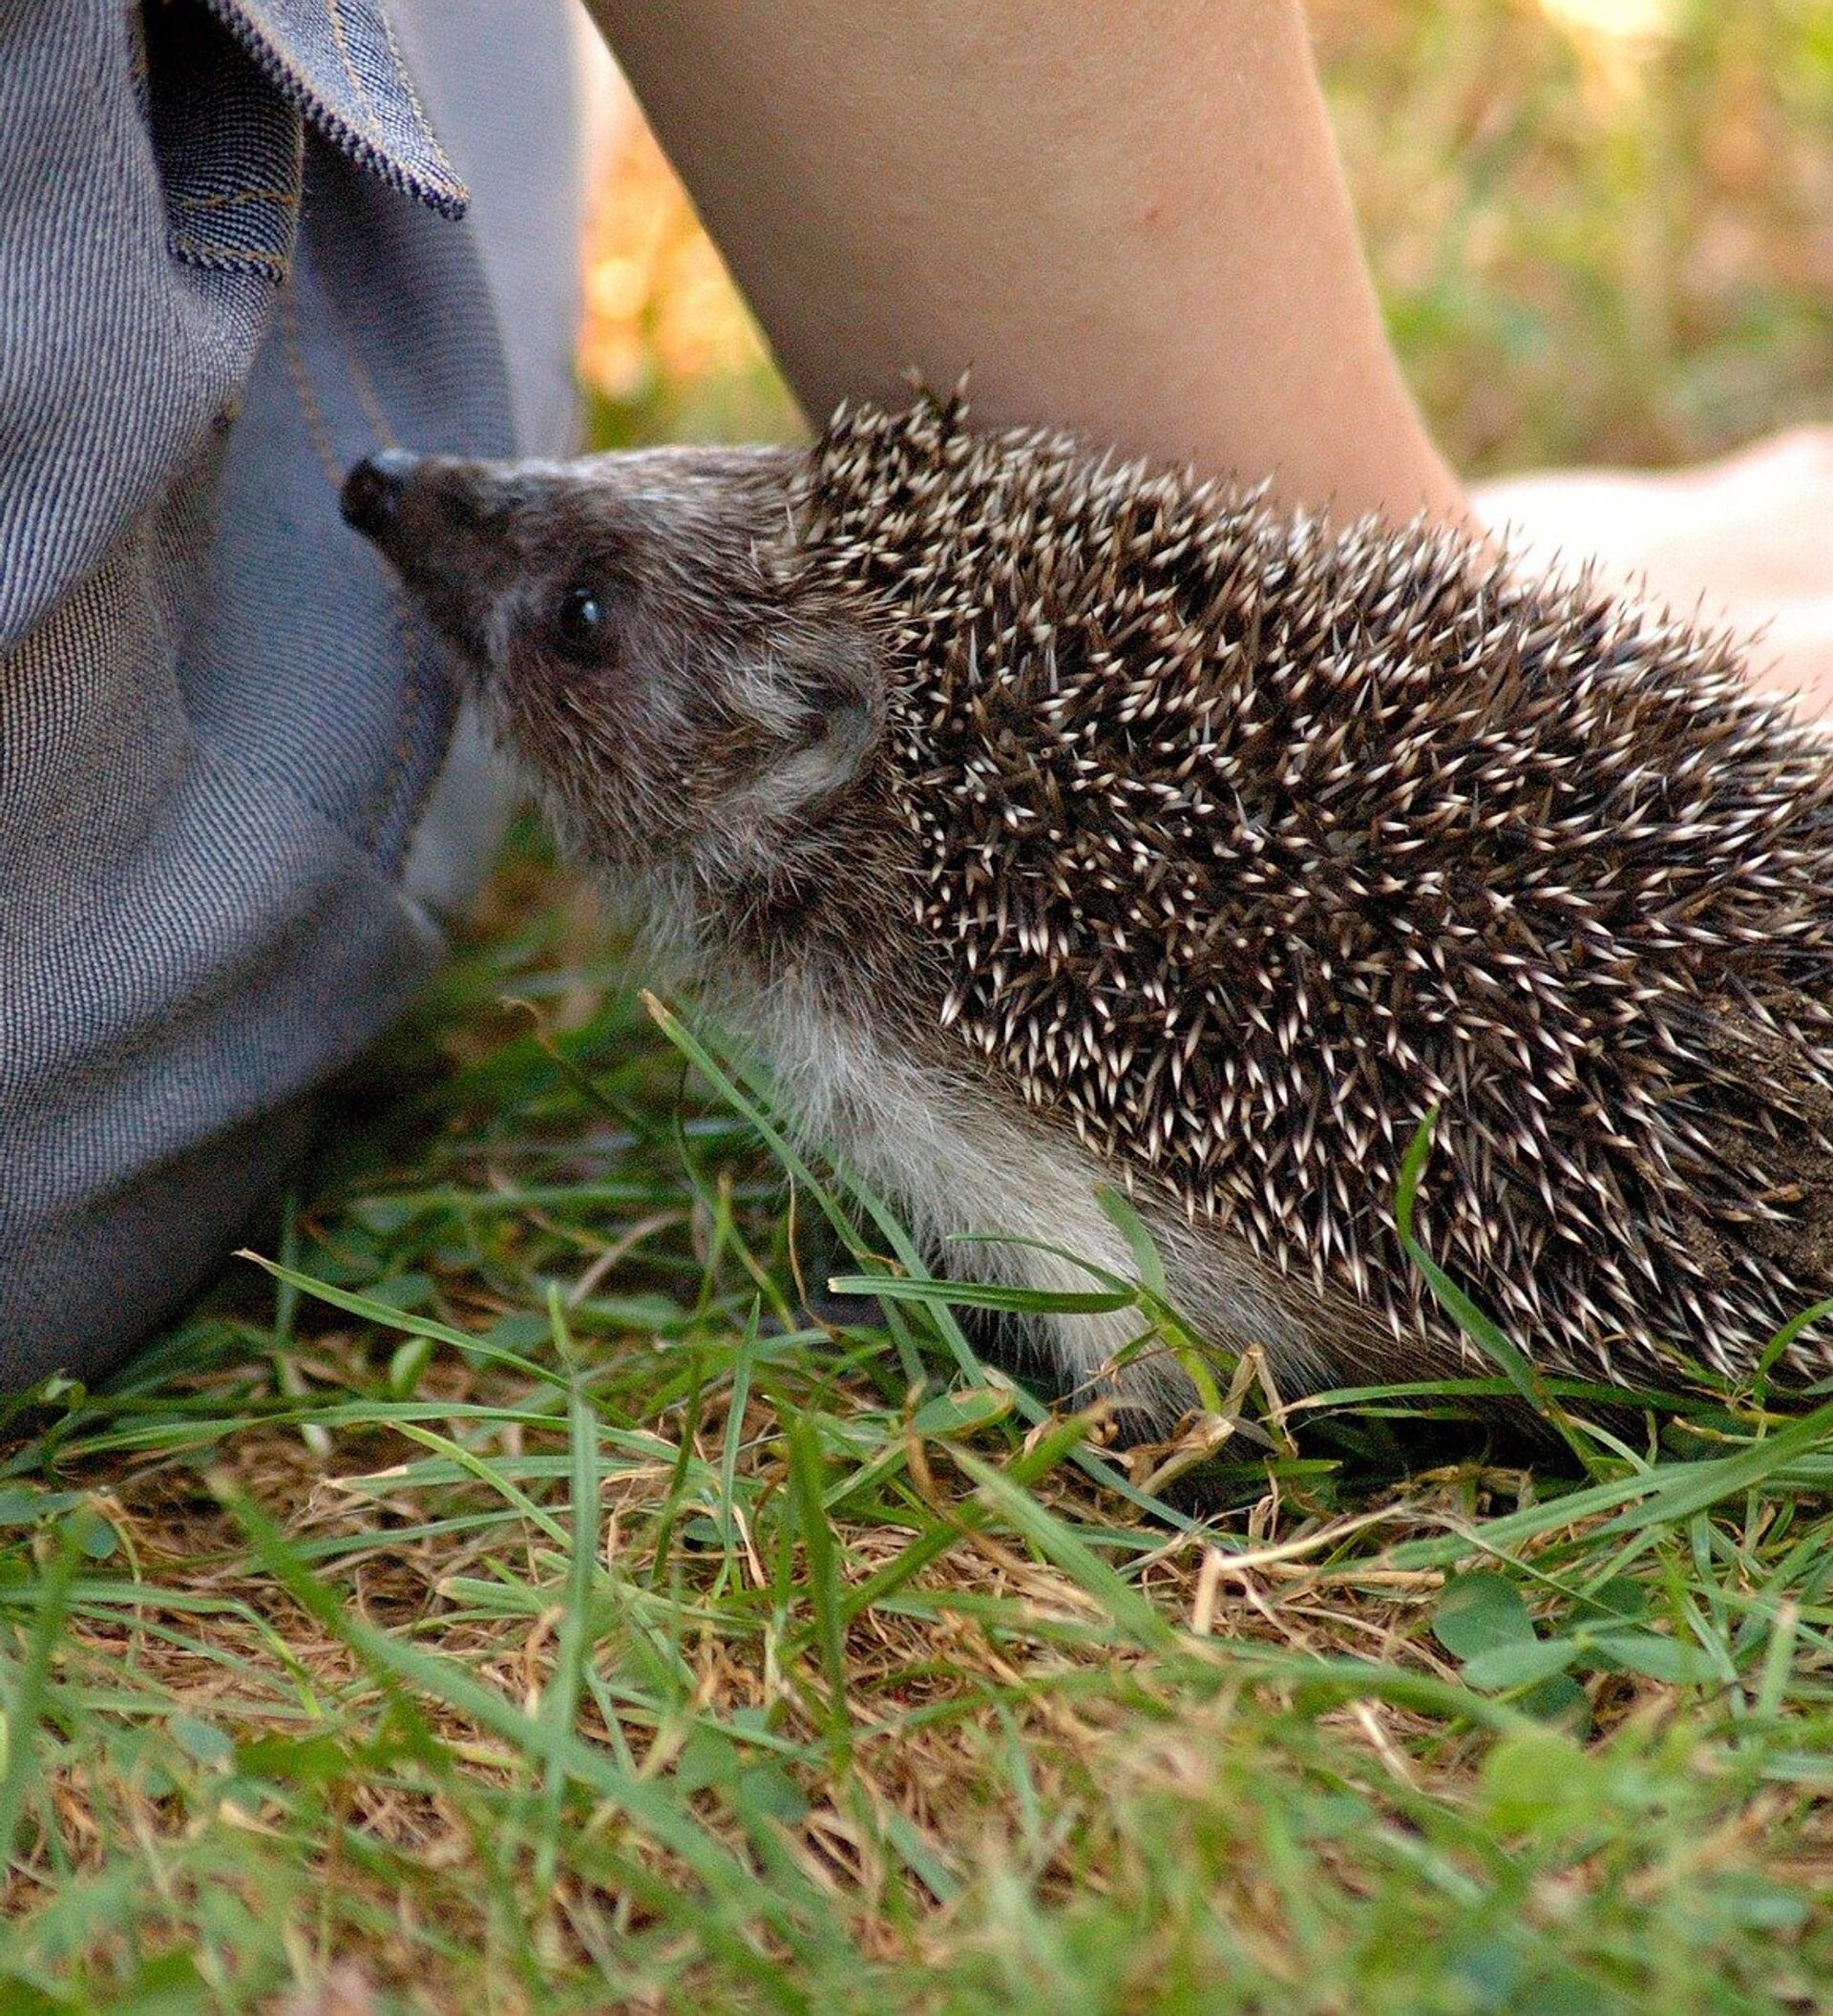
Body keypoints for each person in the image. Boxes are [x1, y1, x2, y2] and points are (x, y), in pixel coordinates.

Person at [3, 0, 1826, 1388]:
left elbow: (1149, 1317)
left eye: (573, 613)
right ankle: (1327, 492)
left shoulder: (883, 978)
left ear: (797, 762)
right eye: (585, 610)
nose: (415, 504)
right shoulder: (898, 931)